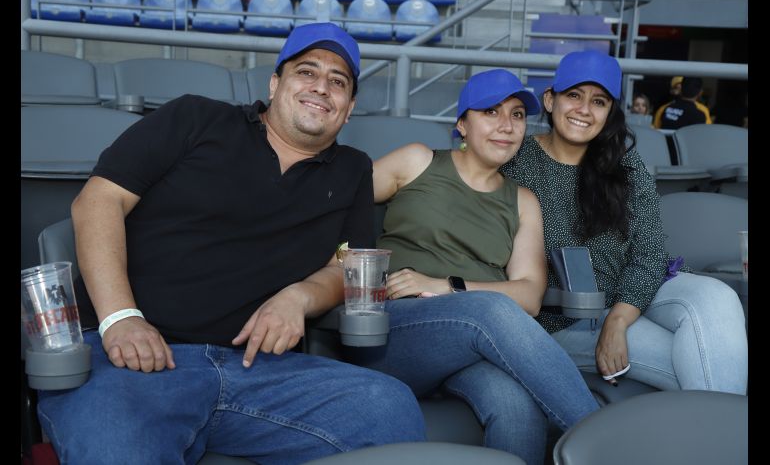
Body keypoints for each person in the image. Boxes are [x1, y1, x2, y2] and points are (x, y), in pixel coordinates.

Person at [35, 23, 426, 464]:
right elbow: (98, 201)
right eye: (306, 72)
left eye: (338, 82)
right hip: (135, 359)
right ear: (275, 83)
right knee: (116, 443)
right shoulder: (196, 118)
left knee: (388, 409)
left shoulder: (352, 170)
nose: (321, 88)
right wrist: (122, 318)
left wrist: (299, 297)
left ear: (349, 107)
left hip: (262, 370)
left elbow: (348, 264)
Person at [347, 69, 600, 465]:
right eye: (491, 112)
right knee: (491, 309)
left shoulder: (523, 201)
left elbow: (530, 295)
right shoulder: (418, 161)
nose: (507, 125)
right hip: (397, 328)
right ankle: (610, 447)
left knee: (517, 406)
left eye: (517, 115)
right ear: (462, 123)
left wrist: (448, 285)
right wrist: (340, 263)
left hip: (474, 344)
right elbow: (334, 203)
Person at [501, 50, 747, 396]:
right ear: (550, 99)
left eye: (599, 101)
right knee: (695, 364)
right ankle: (718, 443)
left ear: (609, 113)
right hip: (563, 316)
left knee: (718, 297)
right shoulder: (515, 162)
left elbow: (649, 254)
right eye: (574, 95)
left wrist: (617, 320)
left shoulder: (624, 164)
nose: (584, 110)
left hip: (635, 291)